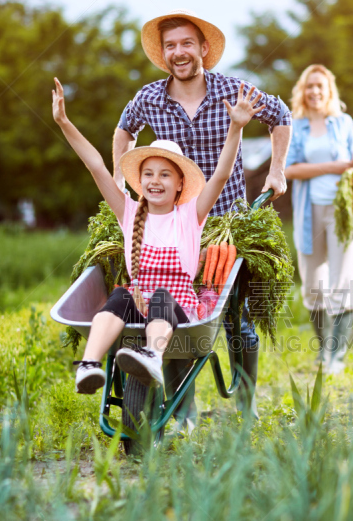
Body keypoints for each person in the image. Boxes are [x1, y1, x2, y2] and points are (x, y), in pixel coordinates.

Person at [112, 10, 292, 417]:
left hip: (227, 227)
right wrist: (120, 179)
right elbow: (124, 131)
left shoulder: (234, 90)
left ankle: (247, 406)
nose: (179, 52)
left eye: (187, 43)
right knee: (170, 309)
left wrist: (276, 170)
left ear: (204, 49)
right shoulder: (149, 99)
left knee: (235, 318)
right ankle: (183, 413)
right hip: (168, 227)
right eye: (171, 45)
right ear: (164, 53)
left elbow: (280, 116)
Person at [51, 77, 265, 394]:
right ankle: (89, 366)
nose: (156, 181)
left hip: (178, 310)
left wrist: (236, 128)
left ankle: (152, 356)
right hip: (138, 306)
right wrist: (64, 122)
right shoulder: (130, 213)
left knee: (162, 296)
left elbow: (221, 173)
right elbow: (95, 164)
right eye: (148, 174)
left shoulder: (190, 215)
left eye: (165, 174)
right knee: (119, 296)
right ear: (139, 181)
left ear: (180, 183)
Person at [285, 64, 353, 375]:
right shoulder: (297, 125)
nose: (315, 91)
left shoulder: (343, 123)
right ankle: (323, 349)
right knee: (312, 285)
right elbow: (289, 169)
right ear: (302, 91)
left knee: (342, 282)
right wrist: (335, 166)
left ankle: (336, 357)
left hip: (343, 212)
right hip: (308, 210)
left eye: (320, 86)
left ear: (329, 91)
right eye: (310, 86)